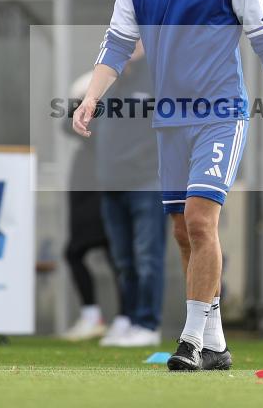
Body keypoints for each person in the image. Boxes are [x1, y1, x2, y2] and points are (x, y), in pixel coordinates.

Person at [73, 0, 263, 370]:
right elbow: (115, 45)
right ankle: (215, 343)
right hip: (169, 119)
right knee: (182, 231)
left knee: (200, 219)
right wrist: (91, 98)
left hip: (221, 113)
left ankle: (191, 340)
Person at [95, 41, 164, 347]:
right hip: (111, 183)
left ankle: (148, 324)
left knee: (148, 258)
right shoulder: (108, 76)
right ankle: (130, 319)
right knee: (124, 261)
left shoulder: (159, 75)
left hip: (147, 182)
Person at [60, 73, 121, 341]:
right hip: (86, 186)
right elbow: (66, 125)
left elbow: (74, 126)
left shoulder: (112, 108)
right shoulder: (90, 87)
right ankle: (113, 317)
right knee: (109, 255)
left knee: (85, 252)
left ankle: (117, 318)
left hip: (102, 187)